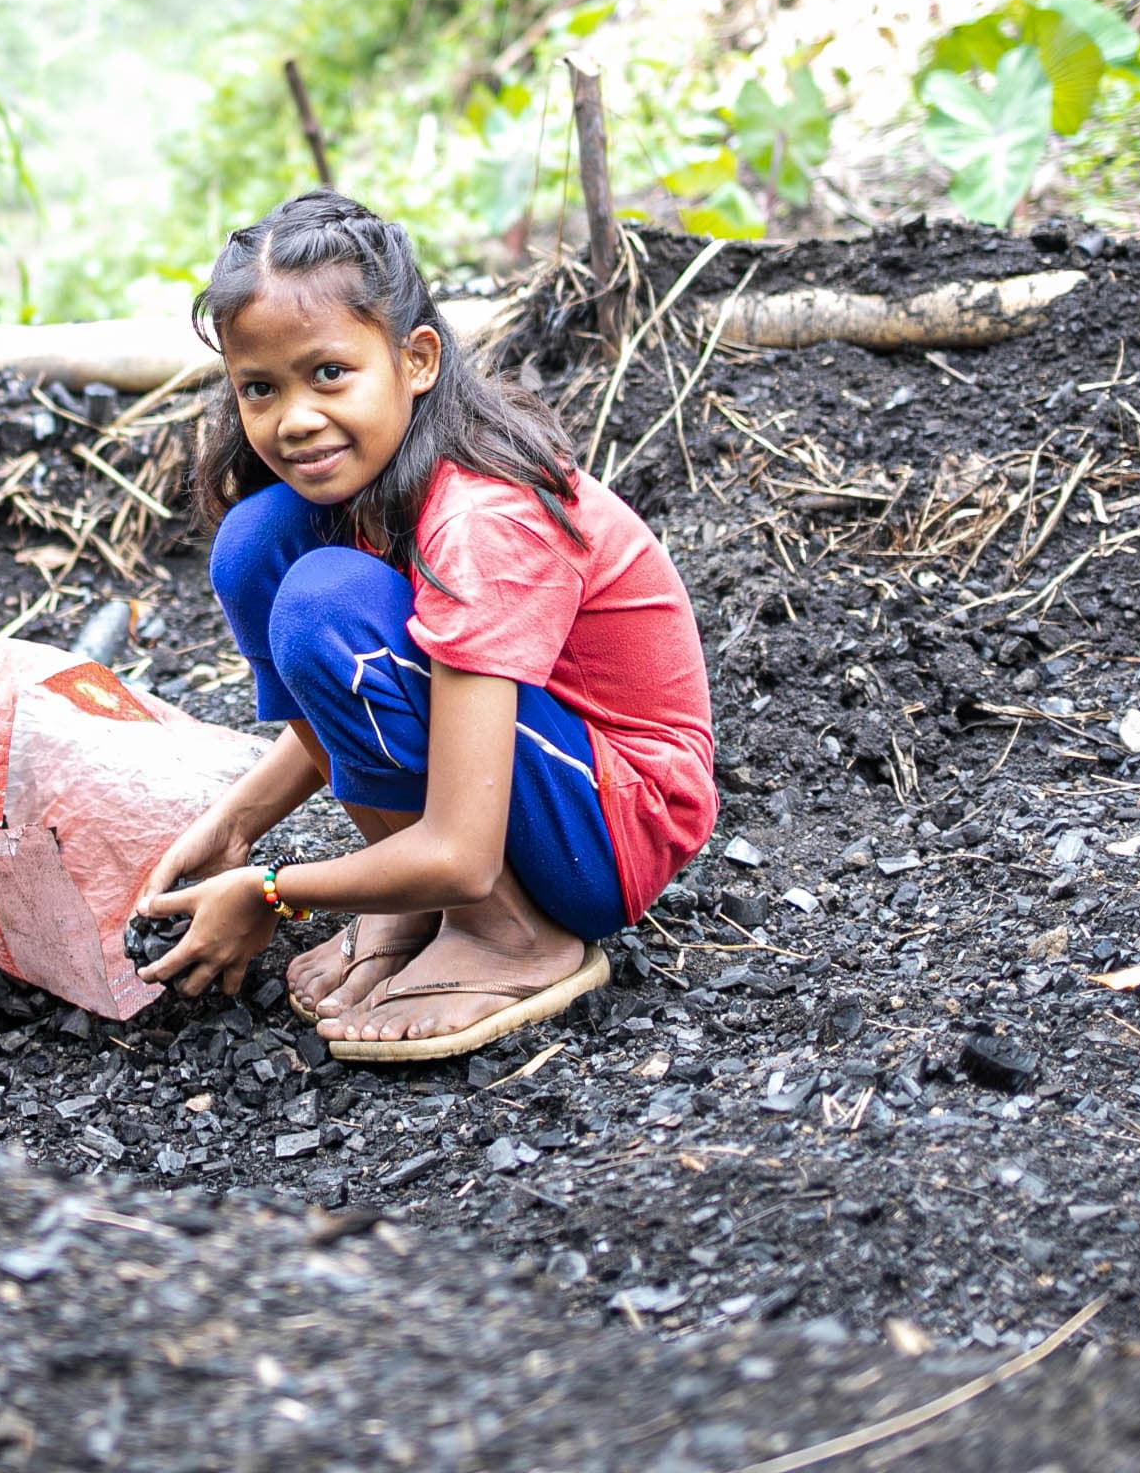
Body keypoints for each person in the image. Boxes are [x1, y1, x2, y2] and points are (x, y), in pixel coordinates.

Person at [134, 193, 715, 1062]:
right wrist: (238, 820)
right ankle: (416, 899)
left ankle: (510, 935)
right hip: (524, 772)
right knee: (260, 542)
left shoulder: (482, 519)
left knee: (325, 600)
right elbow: (397, 680)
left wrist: (271, 890)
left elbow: (459, 842)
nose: (294, 418)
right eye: (261, 387)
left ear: (416, 358)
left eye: (329, 372)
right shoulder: (380, 481)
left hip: (613, 824)